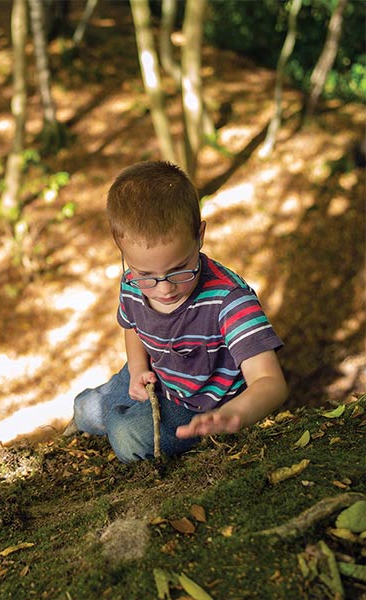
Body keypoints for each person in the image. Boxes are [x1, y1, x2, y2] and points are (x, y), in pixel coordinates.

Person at [68, 161, 287, 463]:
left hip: (203, 403)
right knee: (84, 409)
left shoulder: (229, 300)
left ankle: (128, 420)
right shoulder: (133, 283)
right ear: (122, 249)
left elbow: (270, 382)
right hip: (158, 375)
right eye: (147, 274)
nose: (164, 289)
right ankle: (102, 415)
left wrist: (234, 413)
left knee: (127, 436)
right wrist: (135, 368)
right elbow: (132, 325)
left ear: (199, 236)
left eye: (179, 269)